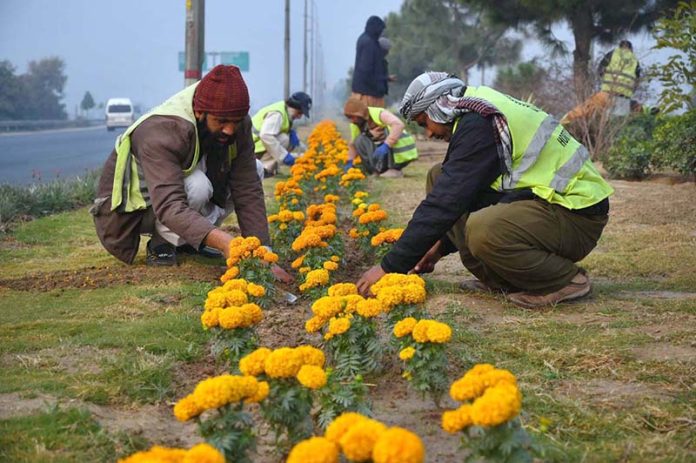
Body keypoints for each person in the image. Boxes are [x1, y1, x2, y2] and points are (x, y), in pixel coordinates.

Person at [357, 72, 614, 308]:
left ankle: (565, 281)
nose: (429, 133)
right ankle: (503, 280)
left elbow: (445, 203)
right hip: (544, 203)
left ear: (438, 107)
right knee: (439, 175)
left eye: (424, 122)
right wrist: (439, 248)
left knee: (484, 229)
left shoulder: (480, 123)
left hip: (577, 213)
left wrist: (389, 267)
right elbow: (458, 193)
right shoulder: (475, 114)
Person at [91, 64, 291, 282]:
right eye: (222, 121)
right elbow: (170, 205)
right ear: (199, 111)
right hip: (134, 211)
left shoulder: (236, 122)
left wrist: (263, 253)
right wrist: (226, 243)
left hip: (168, 199)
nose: (230, 129)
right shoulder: (161, 130)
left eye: (235, 121)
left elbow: (247, 188)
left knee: (255, 169)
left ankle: (190, 241)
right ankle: (161, 244)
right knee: (197, 186)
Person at [562, 40, 640, 125]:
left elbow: (600, 70)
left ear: (619, 46)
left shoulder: (613, 54)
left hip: (607, 93)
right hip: (624, 99)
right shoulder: (635, 60)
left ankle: (565, 120)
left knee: (587, 108)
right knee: (615, 123)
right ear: (631, 49)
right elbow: (636, 81)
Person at [343, 97, 418, 178]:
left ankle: (394, 169)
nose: (351, 120)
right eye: (349, 118)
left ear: (360, 114)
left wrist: (387, 144)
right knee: (359, 140)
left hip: (401, 150)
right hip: (383, 148)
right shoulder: (355, 124)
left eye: (352, 117)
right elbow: (353, 144)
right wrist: (350, 161)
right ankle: (376, 170)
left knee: (385, 131)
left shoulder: (378, 113)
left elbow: (399, 125)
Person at [252, 92, 312, 176]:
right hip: (251, 146)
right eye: (299, 113)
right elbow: (266, 136)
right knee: (284, 139)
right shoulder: (278, 114)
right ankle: (264, 169)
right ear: (293, 107)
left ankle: (270, 169)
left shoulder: (284, 111)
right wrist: (284, 156)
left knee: (286, 139)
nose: (299, 117)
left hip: (256, 145)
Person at [351, 15, 389, 107]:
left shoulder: (365, 40)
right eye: (380, 30)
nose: (381, 33)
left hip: (364, 91)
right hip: (367, 95)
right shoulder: (369, 44)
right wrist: (378, 83)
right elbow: (366, 70)